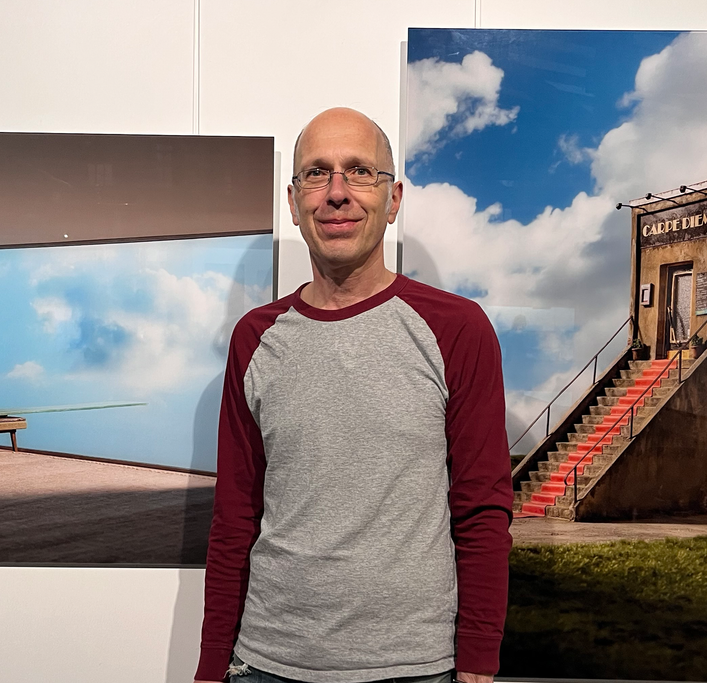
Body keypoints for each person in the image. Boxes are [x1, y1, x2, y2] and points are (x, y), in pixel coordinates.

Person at [194, 107, 514, 683]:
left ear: (393, 200)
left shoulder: (457, 328)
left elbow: (482, 509)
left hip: (414, 668)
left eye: (360, 171)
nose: (337, 193)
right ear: (294, 202)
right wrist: (211, 665)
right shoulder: (255, 338)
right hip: (265, 663)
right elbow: (235, 516)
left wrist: (478, 661)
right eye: (317, 173)